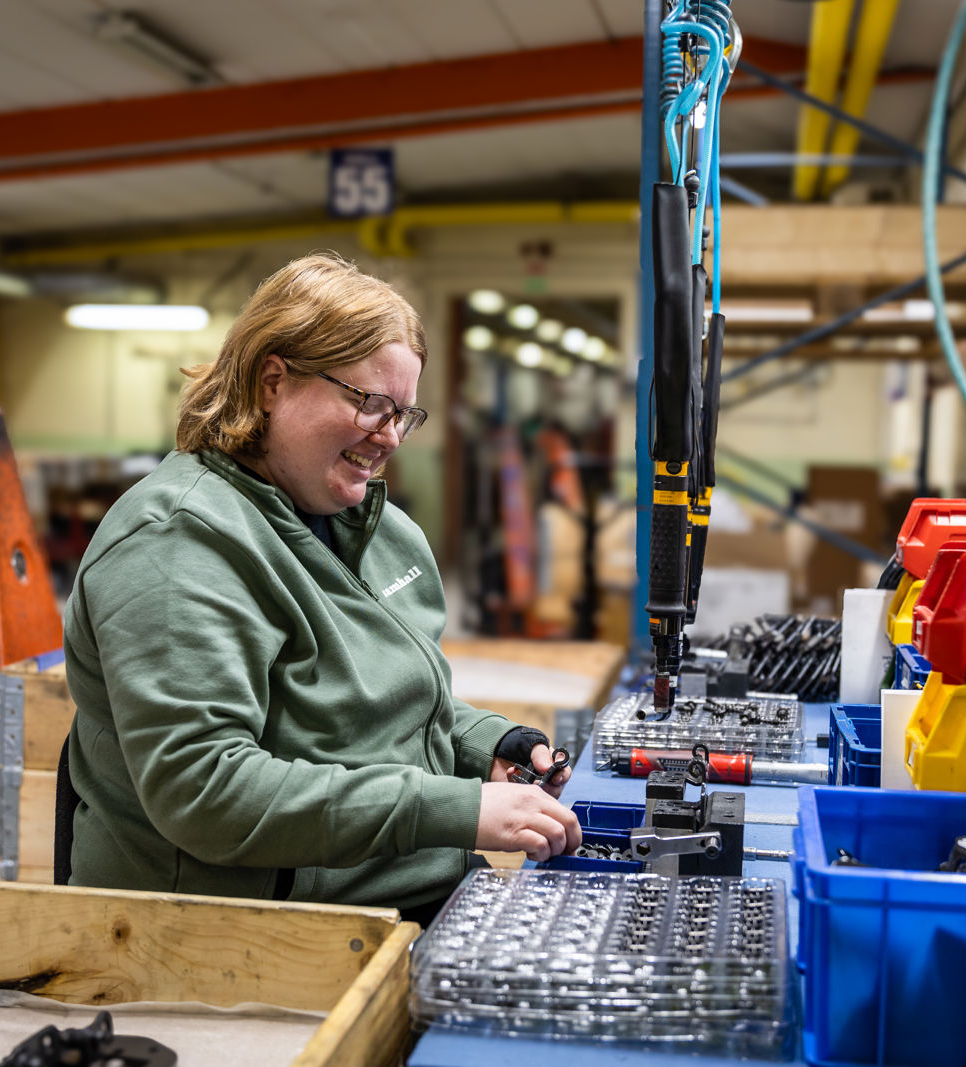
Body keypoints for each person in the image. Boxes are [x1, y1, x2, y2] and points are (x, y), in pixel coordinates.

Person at [61, 253, 582, 921]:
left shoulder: (378, 532)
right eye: (370, 403)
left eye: (404, 414)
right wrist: (457, 808)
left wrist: (485, 746)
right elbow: (205, 789)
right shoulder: (177, 542)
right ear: (273, 380)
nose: (389, 435)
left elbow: (382, 712)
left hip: (403, 893)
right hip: (246, 937)